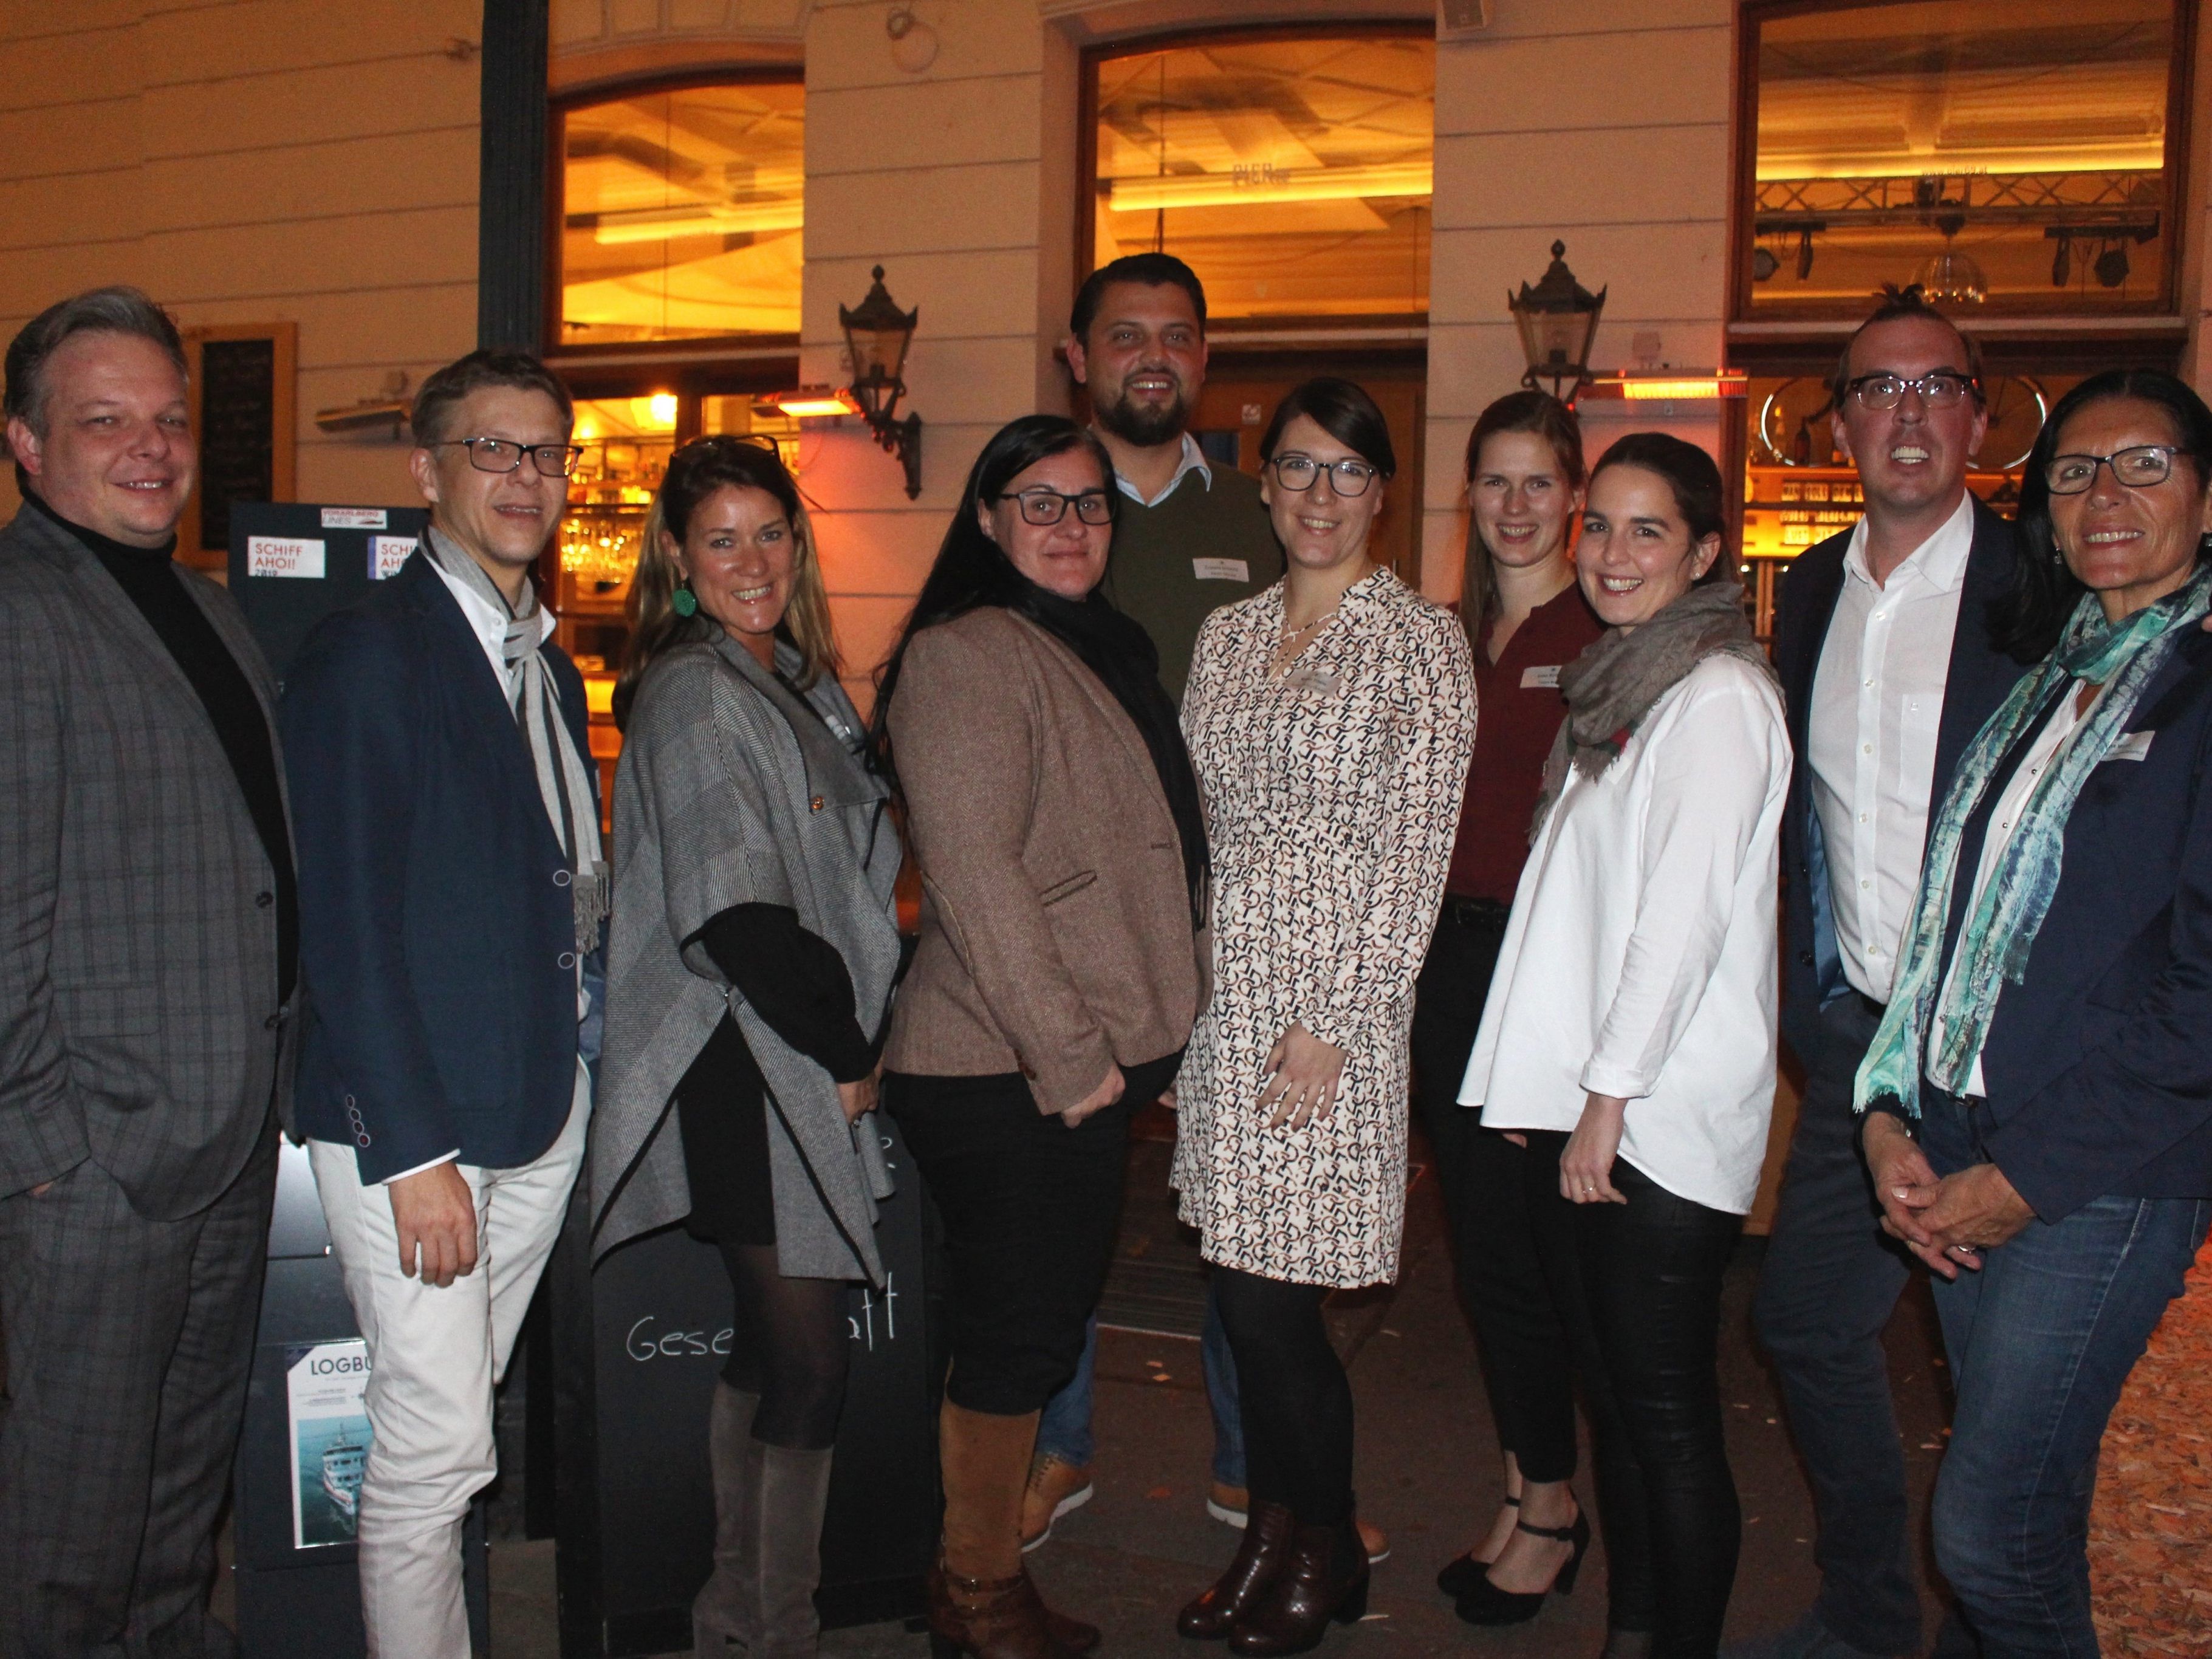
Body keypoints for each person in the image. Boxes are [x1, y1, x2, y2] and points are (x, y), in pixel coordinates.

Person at [1853, 368, 2212, 1657]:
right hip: (1957, 1142)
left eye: (2144, 466)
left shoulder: (2200, 688)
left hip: (2097, 1175)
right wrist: (1892, 1115)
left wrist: (2026, 1173)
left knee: (1987, 1532)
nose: (2105, 495)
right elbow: (1945, 931)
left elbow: (2205, 1006)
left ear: (2206, 494)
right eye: (2073, 472)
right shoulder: (2046, 680)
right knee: (2030, 1514)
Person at [870, 414, 1207, 1659]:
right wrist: (1078, 1068)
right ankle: (974, 1590)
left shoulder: (1098, 644)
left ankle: (971, 1573)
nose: (1070, 526)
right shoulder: (966, 654)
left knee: (1034, 1321)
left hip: (1063, 1067)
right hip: (1007, 1069)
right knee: (1021, 1334)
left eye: (1089, 503)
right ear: (990, 519)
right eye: (1040, 503)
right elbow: (974, 877)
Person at [282, 349, 602, 1658]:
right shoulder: (369, 652)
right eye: (493, 450)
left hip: (536, 1112)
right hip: (421, 1136)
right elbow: (343, 930)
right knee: (435, 1452)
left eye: (546, 452)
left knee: (458, 1430)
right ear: (429, 471)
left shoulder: (554, 667)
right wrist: (410, 1151)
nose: (525, 478)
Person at [0, 287, 296, 1656]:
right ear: (24, 442)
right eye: (104, 419)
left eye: (169, 420)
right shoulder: (18, 614)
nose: (152, 447)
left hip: (224, 1142)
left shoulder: (207, 608)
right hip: (96, 1173)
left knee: (180, 1520)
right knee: (67, 1538)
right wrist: (52, 1154)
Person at [1731, 289, 2025, 1659]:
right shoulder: (1806, 595)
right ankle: (1868, 1614)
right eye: (1877, 389)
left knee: (1999, 1378)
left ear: (1979, 412)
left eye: (1936, 385)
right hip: (1863, 1045)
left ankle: (1994, 1622)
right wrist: (1815, 1009)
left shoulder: (2046, 592)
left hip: (2012, 1055)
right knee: (1803, 1323)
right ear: (1839, 421)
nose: (1907, 413)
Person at [1462, 433, 1790, 1658]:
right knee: (1619, 1407)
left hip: (1656, 1112)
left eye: (1646, 530)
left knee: (1665, 1419)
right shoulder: (1626, 684)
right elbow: (1572, 912)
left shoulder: (1717, 697)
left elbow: (1681, 923)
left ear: (1706, 551)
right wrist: (1531, 1081)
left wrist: (1602, 1099)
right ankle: (1637, 1635)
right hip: (1595, 1103)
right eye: (1598, 524)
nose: (1610, 552)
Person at [1173, 377, 1476, 1656]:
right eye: (1296, 467)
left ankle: (1330, 1540)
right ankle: (1274, 1530)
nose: (1318, 494)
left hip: (1326, 1020)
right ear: (1265, 480)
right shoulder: (1229, 634)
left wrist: (1339, 1017)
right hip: (1225, 1000)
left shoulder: (1419, 640)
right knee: (1242, 1298)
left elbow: (1415, 855)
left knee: (1278, 1309)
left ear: (1383, 490)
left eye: (1346, 471)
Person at [589, 435, 903, 1659]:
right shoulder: (696, 692)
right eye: (721, 538)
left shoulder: (785, 675)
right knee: (814, 1362)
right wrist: (843, 1041)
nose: (751, 559)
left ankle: (739, 1613)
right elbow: (733, 909)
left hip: (773, 1048)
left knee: (778, 1347)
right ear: (676, 555)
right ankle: (773, 1628)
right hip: (756, 1059)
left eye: (770, 532)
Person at [1030, 248, 1286, 1553]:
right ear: (1079, 356)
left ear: (1204, 357)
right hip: (1071, 935)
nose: (1151, 356)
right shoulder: (1033, 508)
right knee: (1065, 1200)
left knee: (1241, 1208)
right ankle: (1056, 1446)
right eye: (1124, 335)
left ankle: (1255, 1466)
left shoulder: (1259, 515)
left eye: (1177, 336)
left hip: (1234, 928)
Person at [1412, 392, 1603, 1621]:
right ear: (1469, 497)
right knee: (1486, 1258)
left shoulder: (1602, 627)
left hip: (1544, 974)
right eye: (1496, 482)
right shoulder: (1448, 633)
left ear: (1574, 496)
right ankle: (1529, 1473)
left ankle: (1556, 1505)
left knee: (1537, 1265)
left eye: (1539, 482)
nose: (1517, 506)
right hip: (1449, 966)